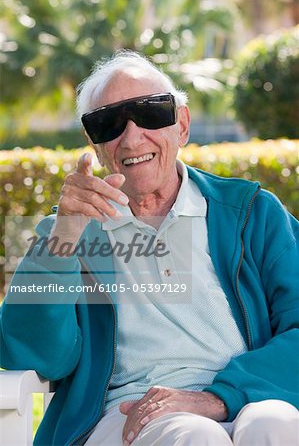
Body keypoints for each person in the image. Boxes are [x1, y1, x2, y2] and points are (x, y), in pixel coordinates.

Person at [1, 50, 298, 446]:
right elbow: (33, 355)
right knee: (194, 436)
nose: (132, 137)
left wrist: (218, 398)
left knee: (277, 421)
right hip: (127, 416)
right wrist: (64, 236)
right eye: (109, 122)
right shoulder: (71, 232)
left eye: (151, 113)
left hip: (243, 399)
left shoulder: (251, 214)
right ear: (95, 143)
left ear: (183, 124)